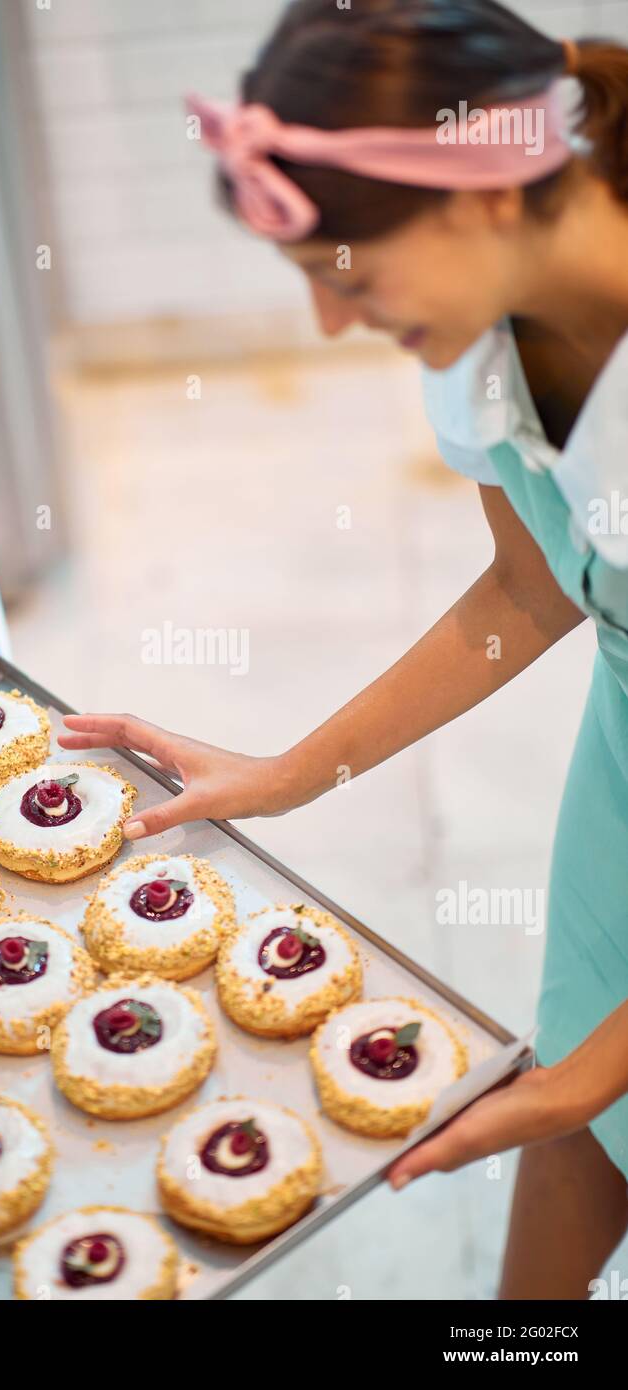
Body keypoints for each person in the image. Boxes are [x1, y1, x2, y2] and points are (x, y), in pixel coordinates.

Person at [58, 0, 628, 1298]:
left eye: (344, 271)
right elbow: (529, 586)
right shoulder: (486, 324)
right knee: (576, 1130)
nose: (327, 324)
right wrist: (285, 772)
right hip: (623, 773)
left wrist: (592, 1067)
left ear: (480, 199)